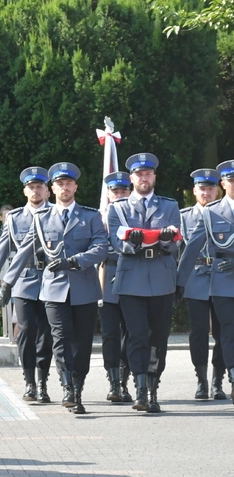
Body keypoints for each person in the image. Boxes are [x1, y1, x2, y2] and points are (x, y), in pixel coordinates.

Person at [1, 163, 106, 414]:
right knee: (59, 339)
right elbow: (23, 251)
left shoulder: (91, 216)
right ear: (53, 189)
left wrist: (75, 261)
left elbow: (101, 247)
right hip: (53, 289)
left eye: (69, 183)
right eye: (60, 184)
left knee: (81, 343)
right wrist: (7, 282)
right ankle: (67, 386)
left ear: (75, 187)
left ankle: (78, 386)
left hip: (84, 289)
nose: (64, 188)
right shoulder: (41, 218)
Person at [107, 152, 181, 413]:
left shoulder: (170, 206)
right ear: (132, 178)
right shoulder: (118, 207)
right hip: (131, 278)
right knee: (137, 335)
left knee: (158, 337)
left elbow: (175, 242)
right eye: (139, 174)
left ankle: (153, 388)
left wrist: (161, 239)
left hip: (161, 276)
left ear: (154, 177)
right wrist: (132, 243)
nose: (144, 178)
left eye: (148, 174)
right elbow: (116, 242)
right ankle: (139, 389)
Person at [0, 167, 54, 403]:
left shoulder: (56, 214)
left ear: (47, 191)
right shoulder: (14, 219)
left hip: (51, 280)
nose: (35, 191)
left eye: (40, 187)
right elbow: (0, 253)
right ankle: (29, 382)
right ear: (25, 191)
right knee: (25, 331)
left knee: (46, 334)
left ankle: (43, 382)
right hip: (23, 280)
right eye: (31, 187)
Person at [179, 160, 234, 411]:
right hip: (198, 278)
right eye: (202, 188)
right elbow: (185, 250)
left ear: (217, 189)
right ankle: (201, 380)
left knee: (225, 331)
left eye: (210, 188)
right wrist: (178, 281)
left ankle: (218, 380)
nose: (206, 192)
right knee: (199, 332)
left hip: (223, 277)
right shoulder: (191, 215)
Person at [99, 172, 133, 403]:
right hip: (107, 279)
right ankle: (113, 382)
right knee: (110, 334)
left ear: (129, 192)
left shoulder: (136, 216)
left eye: (123, 191)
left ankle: (124, 380)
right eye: (115, 191)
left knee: (132, 334)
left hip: (133, 279)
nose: (119, 195)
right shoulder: (97, 219)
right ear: (108, 194)